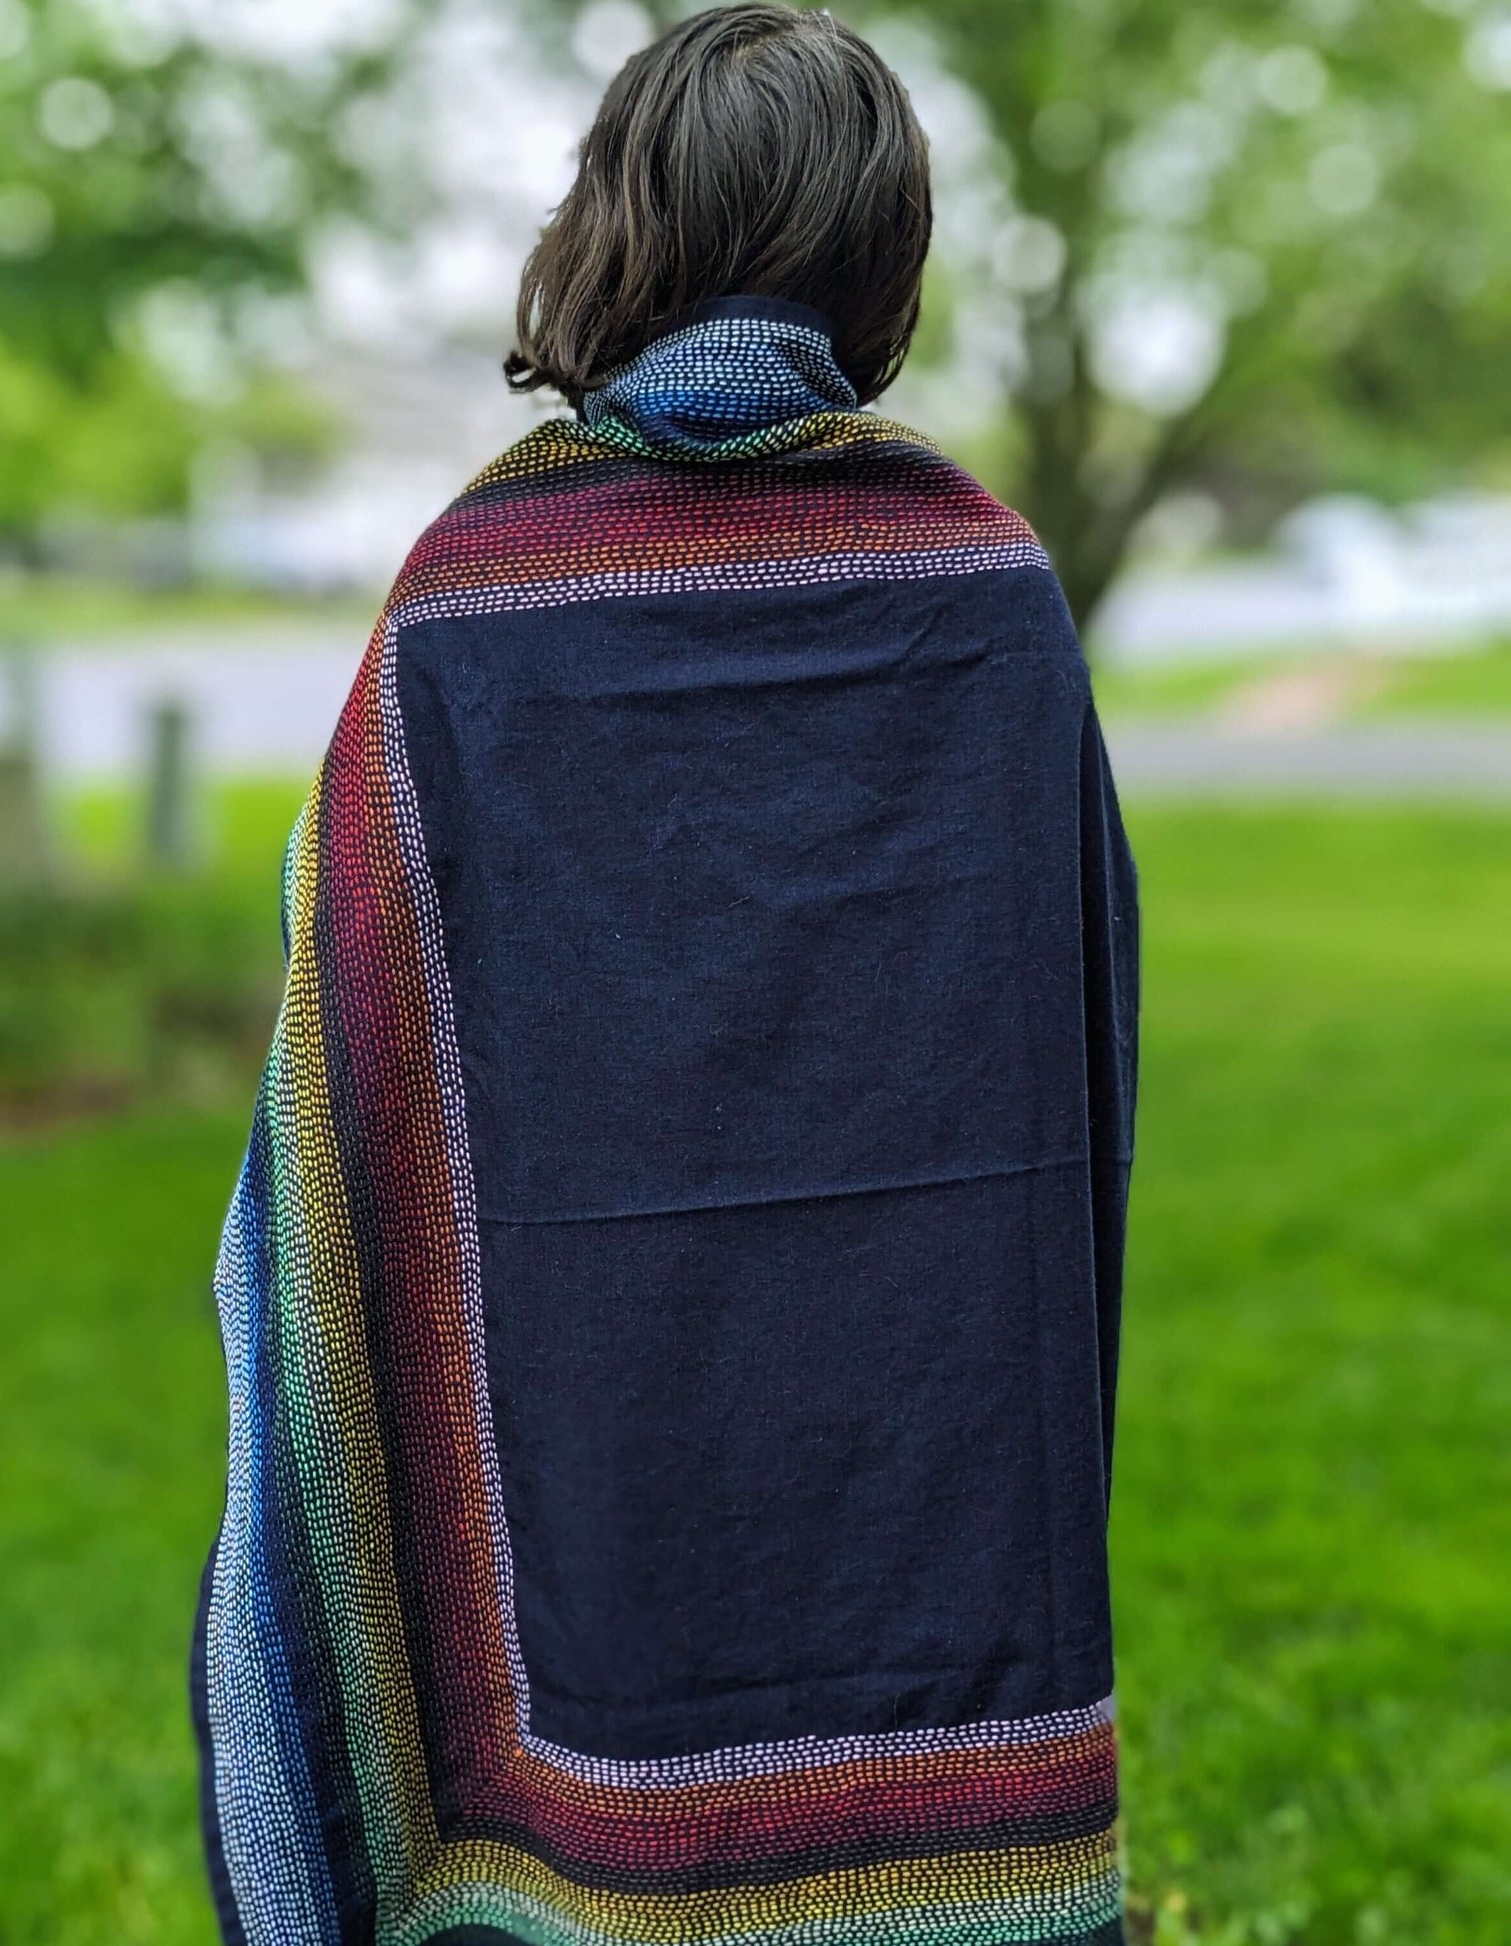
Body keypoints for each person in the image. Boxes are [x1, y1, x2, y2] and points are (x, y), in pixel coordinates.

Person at [191, 7, 1139, 1943]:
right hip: (935, 1485)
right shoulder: (985, 589)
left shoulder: (471, 596)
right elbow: (1075, 1098)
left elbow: (336, 1080)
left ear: (609, 229)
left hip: (582, 1483)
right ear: (883, 256)